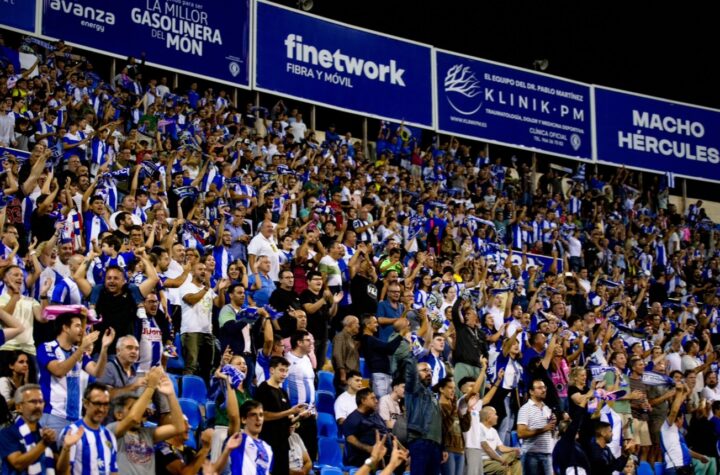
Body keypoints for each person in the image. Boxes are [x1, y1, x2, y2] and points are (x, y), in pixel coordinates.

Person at [37, 312, 115, 433]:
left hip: (76, 418)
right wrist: (81, 349)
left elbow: (97, 372)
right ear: (65, 328)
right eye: (78, 326)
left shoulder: (78, 352)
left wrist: (104, 348)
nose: (82, 330)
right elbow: (59, 370)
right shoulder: (47, 347)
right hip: (53, 416)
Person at [107, 366, 184, 473]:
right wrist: (151, 387)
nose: (140, 412)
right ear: (119, 414)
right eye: (132, 408)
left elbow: (179, 428)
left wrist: (171, 395)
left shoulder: (147, 434)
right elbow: (133, 418)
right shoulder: (111, 430)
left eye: (141, 409)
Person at [254, 356, 306, 475]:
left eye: (286, 371)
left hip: (282, 443)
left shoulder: (283, 392)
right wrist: (289, 412)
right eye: (281, 370)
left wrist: (299, 417)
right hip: (268, 441)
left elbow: (287, 420)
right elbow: (264, 416)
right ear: (272, 370)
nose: (284, 374)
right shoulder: (263, 389)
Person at [178, 261, 228, 380]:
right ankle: (186, 393)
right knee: (191, 365)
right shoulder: (186, 286)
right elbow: (191, 300)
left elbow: (219, 304)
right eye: (200, 269)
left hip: (207, 332)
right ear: (192, 272)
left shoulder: (208, 291)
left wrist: (220, 291)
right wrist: (206, 288)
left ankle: (203, 394)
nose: (203, 272)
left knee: (207, 366)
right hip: (191, 331)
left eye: (205, 270)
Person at [56, 383, 118, 475]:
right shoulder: (72, 432)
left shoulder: (109, 435)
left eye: (105, 404)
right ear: (85, 403)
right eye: (97, 404)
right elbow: (62, 472)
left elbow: (113, 471)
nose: (102, 409)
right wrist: (66, 447)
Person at [0, 384, 57, 474]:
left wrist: (67, 448)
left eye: (41, 401)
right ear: (19, 407)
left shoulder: (47, 434)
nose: (38, 406)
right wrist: (44, 444)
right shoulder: (7, 433)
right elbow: (18, 464)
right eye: (33, 402)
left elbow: (59, 468)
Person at [402, 351, 443, 475]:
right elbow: (410, 375)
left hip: (435, 444)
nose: (429, 373)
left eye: (430, 371)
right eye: (424, 370)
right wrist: (412, 356)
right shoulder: (414, 390)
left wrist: (442, 447)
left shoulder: (431, 395)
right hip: (420, 440)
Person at [342, 388, 394, 469]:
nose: (376, 401)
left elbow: (385, 431)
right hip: (363, 461)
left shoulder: (374, 415)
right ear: (363, 401)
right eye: (372, 398)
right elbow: (350, 439)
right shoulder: (353, 418)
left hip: (383, 458)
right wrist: (369, 449)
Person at [285, 330, 318, 460]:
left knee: (311, 455)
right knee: (297, 457)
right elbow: (283, 386)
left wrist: (314, 408)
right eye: (308, 340)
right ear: (299, 342)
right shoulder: (287, 359)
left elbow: (310, 385)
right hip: (296, 415)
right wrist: (290, 413)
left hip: (310, 414)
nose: (312, 343)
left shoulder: (307, 359)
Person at [516, 378, 556, 475]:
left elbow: (551, 433)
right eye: (539, 388)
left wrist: (552, 427)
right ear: (531, 392)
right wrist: (544, 429)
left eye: (544, 387)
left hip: (547, 453)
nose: (544, 390)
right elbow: (521, 433)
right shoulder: (525, 409)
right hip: (531, 454)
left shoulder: (547, 409)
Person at [436, 377, 470, 475]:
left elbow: (464, 427)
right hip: (448, 449)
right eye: (450, 388)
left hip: (460, 449)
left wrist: (468, 412)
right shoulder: (438, 407)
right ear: (441, 389)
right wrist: (443, 449)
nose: (453, 391)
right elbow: (445, 426)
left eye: (454, 389)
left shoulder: (454, 407)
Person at [229, 400, 274, 474]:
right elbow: (234, 416)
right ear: (243, 419)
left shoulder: (268, 448)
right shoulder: (239, 439)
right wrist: (230, 388)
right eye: (253, 415)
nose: (258, 419)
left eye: (261, 415)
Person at [478, 406, 522, 475]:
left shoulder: (493, 431)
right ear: (488, 417)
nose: (497, 416)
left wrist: (514, 449)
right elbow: (488, 449)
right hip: (484, 460)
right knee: (504, 468)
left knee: (517, 462)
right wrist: (500, 459)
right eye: (495, 414)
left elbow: (501, 447)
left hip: (495, 459)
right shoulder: (479, 427)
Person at [332, 315, 360, 393]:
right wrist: (342, 374)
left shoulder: (350, 338)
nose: (358, 326)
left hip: (351, 375)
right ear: (350, 324)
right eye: (357, 323)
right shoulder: (340, 337)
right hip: (345, 376)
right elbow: (337, 355)